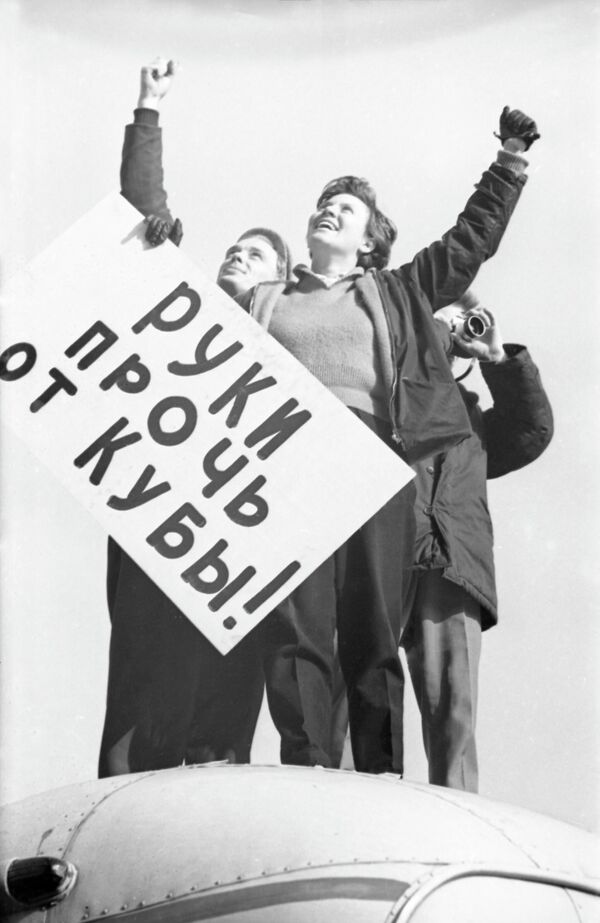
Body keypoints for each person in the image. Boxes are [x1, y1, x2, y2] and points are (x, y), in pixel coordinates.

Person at [235, 106, 540, 774]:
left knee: (372, 628)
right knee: (294, 629)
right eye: (323, 203)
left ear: (371, 242)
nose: (330, 210)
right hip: (288, 467)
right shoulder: (264, 301)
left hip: (371, 465)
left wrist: (510, 161)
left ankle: (376, 777)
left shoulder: (397, 291)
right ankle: (310, 767)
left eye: (346, 207)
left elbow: (469, 244)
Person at [99, 60, 292, 776]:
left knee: (228, 684)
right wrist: (148, 111)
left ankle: (213, 781)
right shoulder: (185, 314)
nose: (239, 253)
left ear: (281, 280)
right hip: (160, 525)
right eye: (234, 247)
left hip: (239, 542)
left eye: (260, 254)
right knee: (146, 674)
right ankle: (125, 799)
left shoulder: (289, 345)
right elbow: (140, 206)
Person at [399, 294, 553, 792]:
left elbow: (533, 430)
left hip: (451, 565)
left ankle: (458, 811)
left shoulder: (476, 422)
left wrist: (498, 360)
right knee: (364, 690)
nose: (451, 331)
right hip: (384, 553)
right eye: (438, 321)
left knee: (454, 708)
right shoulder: (388, 385)